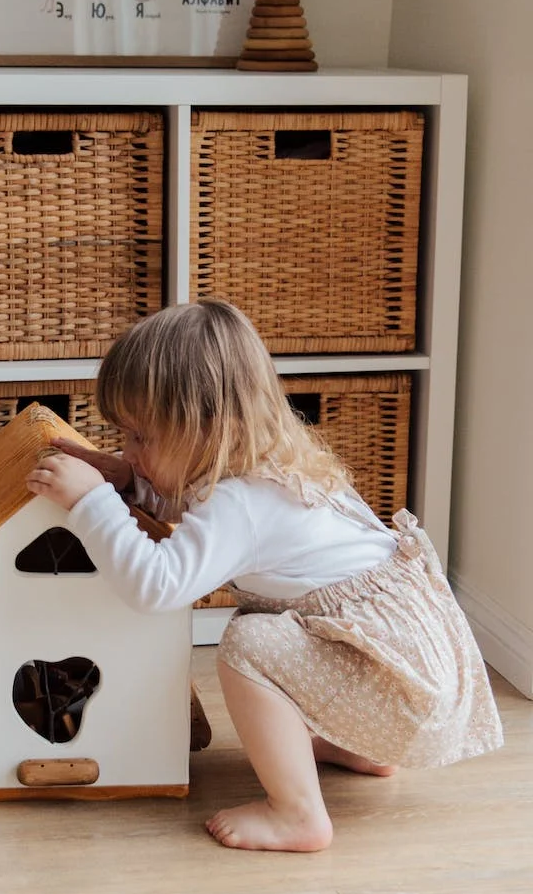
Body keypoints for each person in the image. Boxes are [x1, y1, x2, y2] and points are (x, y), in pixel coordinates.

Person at [26, 299, 503, 853]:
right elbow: (196, 503)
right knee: (273, 628)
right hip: (409, 680)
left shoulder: (242, 504)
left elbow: (155, 585)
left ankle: (298, 815)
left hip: (401, 696)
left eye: (142, 438)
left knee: (250, 640)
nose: (128, 449)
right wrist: (131, 484)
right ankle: (363, 748)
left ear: (208, 426)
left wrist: (92, 504)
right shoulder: (272, 461)